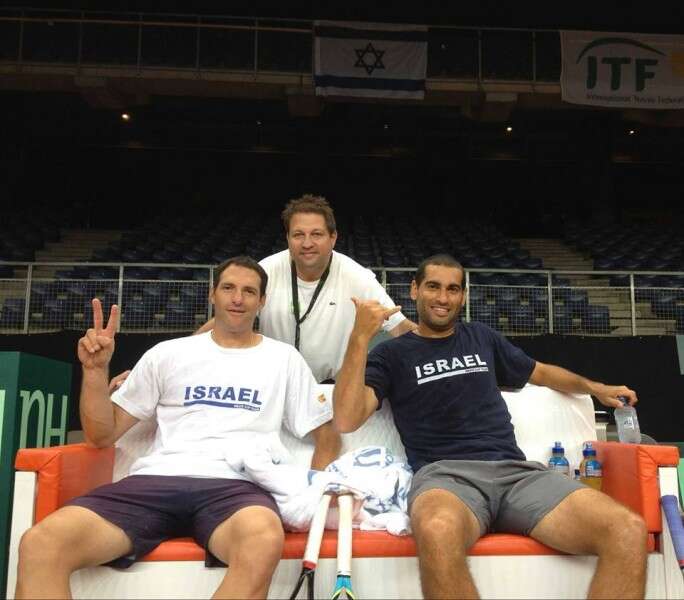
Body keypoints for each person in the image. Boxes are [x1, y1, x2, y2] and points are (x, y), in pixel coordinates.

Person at [15, 256, 340, 600]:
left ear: (262, 301)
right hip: (155, 482)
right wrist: (95, 371)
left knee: (262, 539)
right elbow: (101, 435)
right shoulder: (168, 353)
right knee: (41, 543)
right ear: (212, 294)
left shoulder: (283, 358)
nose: (237, 298)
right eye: (228, 288)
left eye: (249, 291)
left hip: (236, 487)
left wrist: (311, 493)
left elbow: (327, 434)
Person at [333, 253, 648, 600]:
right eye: (433, 287)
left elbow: (541, 372)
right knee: (437, 529)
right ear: (414, 290)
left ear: (463, 296)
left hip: (517, 474)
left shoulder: (481, 337)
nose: (443, 298)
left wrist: (596, 388)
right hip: (446, 477)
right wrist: (359, 337)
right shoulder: (392, 354)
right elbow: (347, 418)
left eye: (453, 289)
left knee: (627, 529)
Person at [195, 195, 416, 383]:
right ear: (288, 238)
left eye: (316, 234)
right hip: (274, 383)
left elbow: (401, 327)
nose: (307, 243)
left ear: (333, 238)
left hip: (331, 389)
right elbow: (228, 316)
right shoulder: (266, 271)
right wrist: (184, 351)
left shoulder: (357, 277)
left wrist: (437, 350)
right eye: (298, 234)